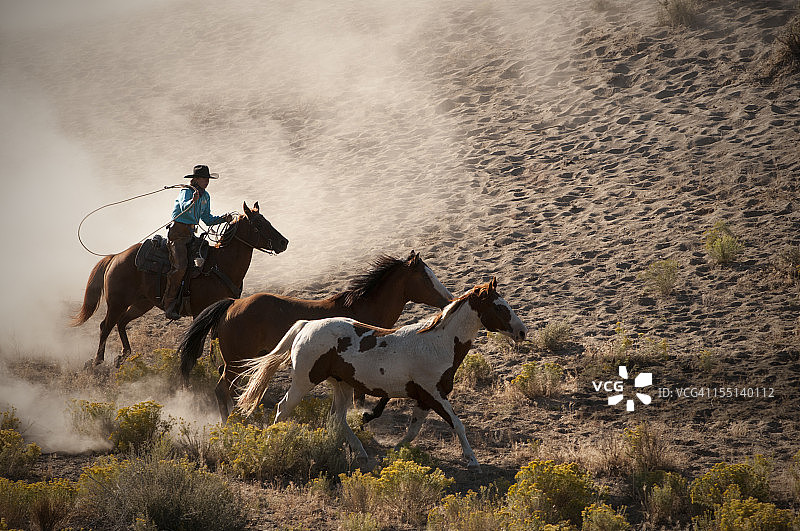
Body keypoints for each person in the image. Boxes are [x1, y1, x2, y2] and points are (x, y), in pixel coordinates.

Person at [164, 164, 233, 320]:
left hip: (190, 234)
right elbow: (183, 207)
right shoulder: (186, 192)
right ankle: (169, 304)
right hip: (178, 234)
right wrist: (193, 201)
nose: (206, 181)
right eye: (203, 178)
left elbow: (207, 219)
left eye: (207, 179)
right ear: (195, 179)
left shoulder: (206, 196)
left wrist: (223, 218)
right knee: (180, 266)